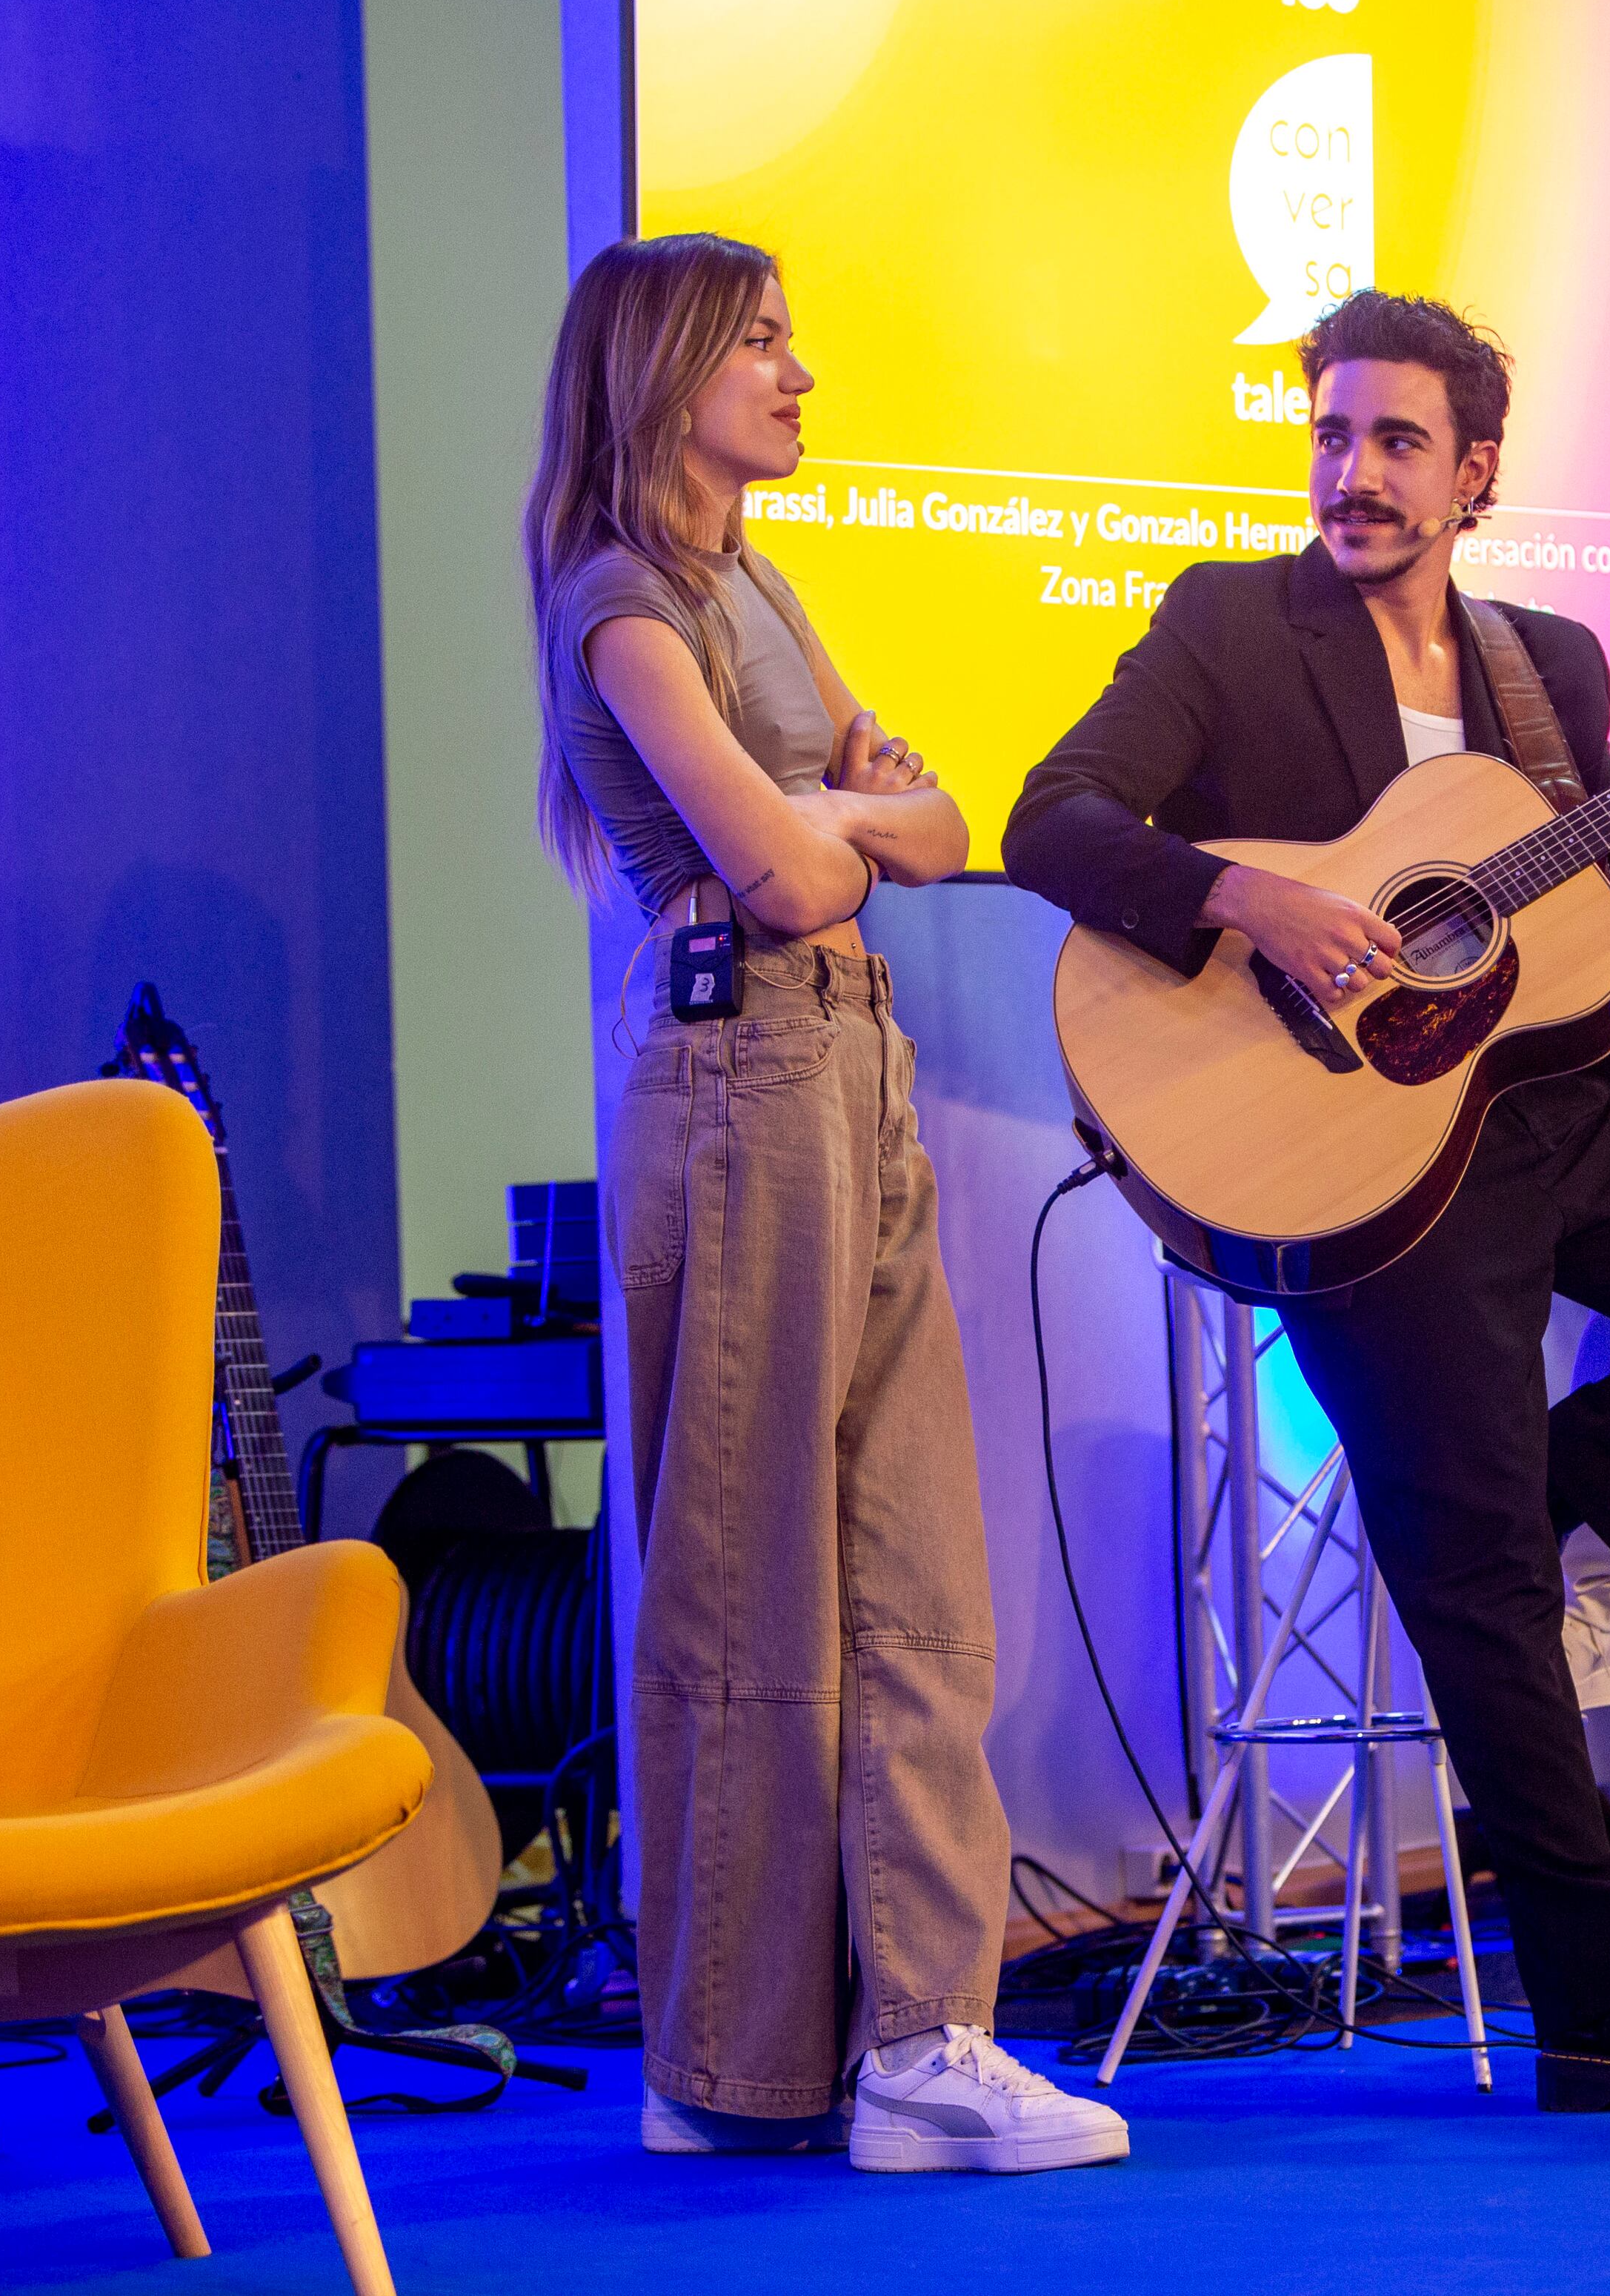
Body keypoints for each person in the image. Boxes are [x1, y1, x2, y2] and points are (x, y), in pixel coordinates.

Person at [1002, 290, 1610, 2112]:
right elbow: (1054, 820)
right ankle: (1605, 1995)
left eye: (1395, 441)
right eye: (1332, 435)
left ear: (1476, 471)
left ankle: (1569, 1508)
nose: (1351, 472)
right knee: (1474, 1568)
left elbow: (1593, 920)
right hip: (1357, 1157)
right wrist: (1245, 899)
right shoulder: (1228, 623)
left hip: (1552, 1114)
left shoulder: (1547, 667)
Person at [528, 231, 1127, 2172]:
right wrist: (837, 825)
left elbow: (937, 832)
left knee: (918, 1579)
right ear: (664, 367)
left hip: (848, 1072)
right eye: (763, 344)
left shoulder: (756, 581)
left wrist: (833, 821)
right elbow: (781, 879)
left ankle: (917, 2037)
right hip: (741, 1083)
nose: (800, 376)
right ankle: (735, 2055)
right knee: (750, 1581)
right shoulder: (624, 601)